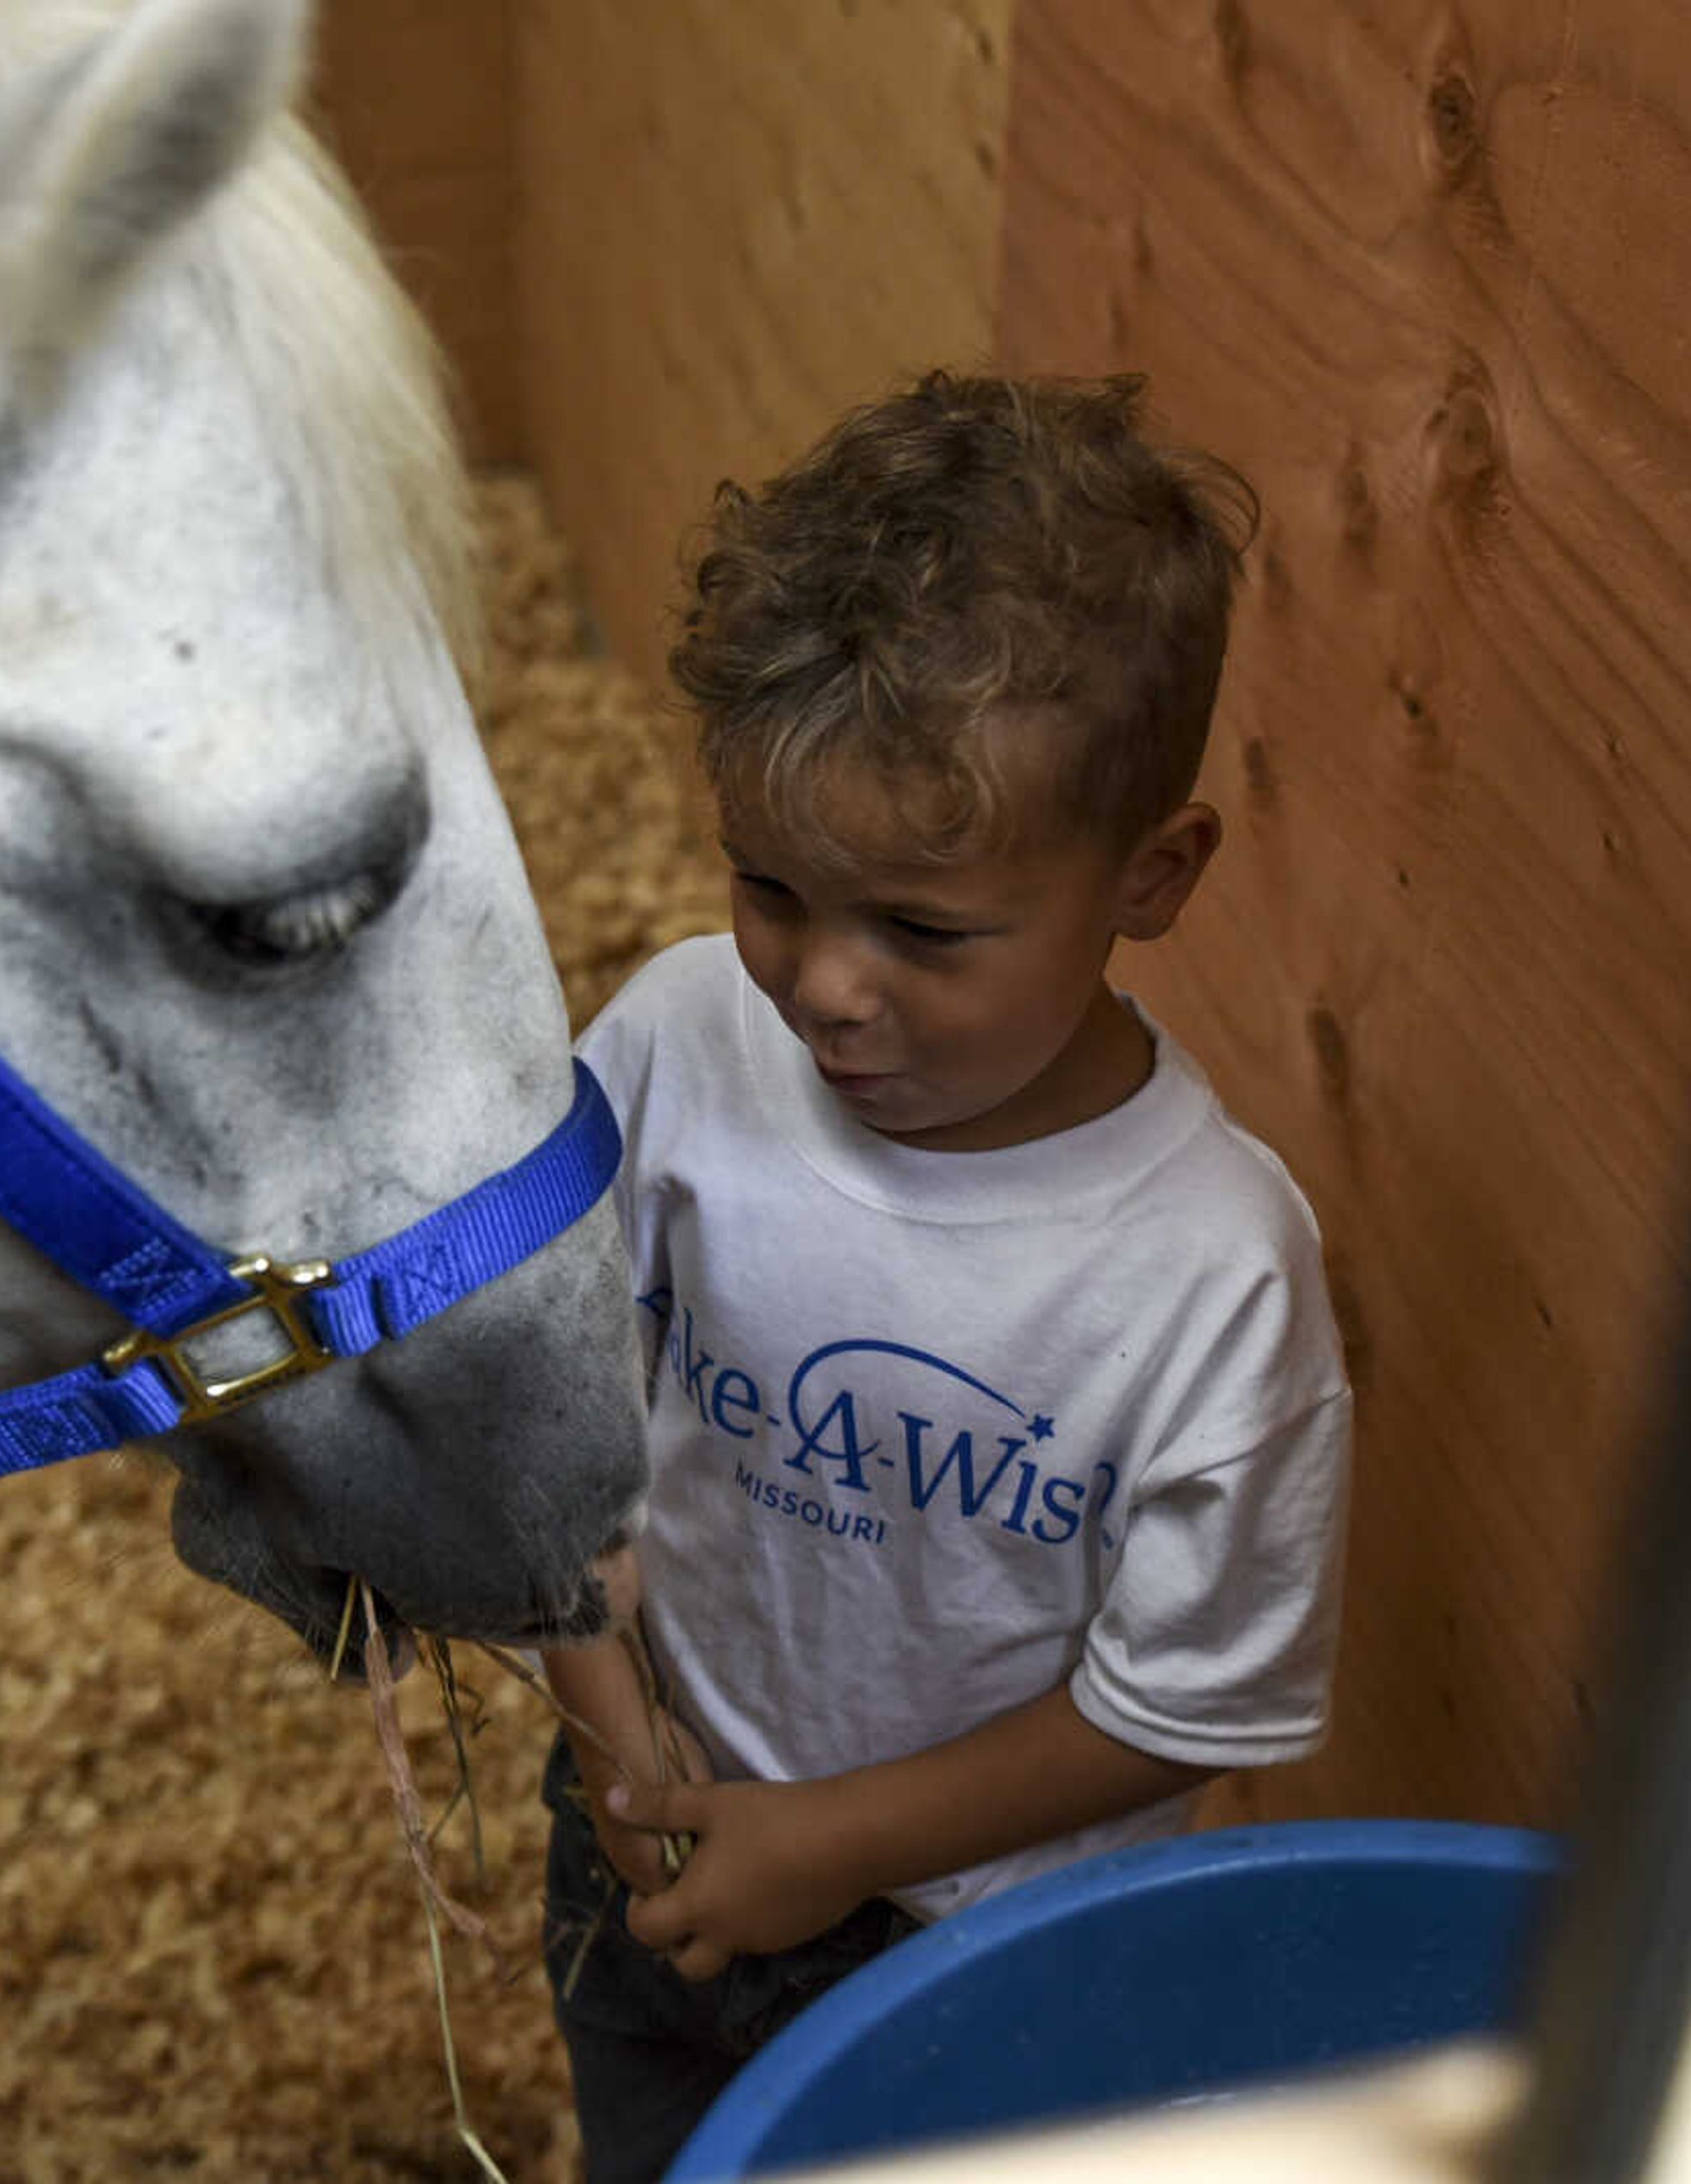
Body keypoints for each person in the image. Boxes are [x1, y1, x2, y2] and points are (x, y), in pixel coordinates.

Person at [540, 370, 1351, 2183]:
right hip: (652, 1831)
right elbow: (537, 1407)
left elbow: (1183, 1702)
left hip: (988, 1955)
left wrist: (825, 1841)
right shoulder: (677, 1043)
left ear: (1154, 873)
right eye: (771, 885)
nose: (825, 983)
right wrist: (618, 1751)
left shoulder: (1211, 1270)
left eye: (921, 927)